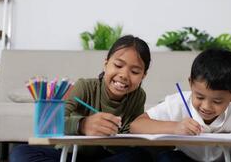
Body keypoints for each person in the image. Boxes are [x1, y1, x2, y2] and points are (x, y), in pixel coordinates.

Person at [130, 48, 231, 162]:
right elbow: (136, 125)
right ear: (191, 84)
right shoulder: (178, 103)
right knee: (165, 159)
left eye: (217, 101)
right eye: (199, 96)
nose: (206, 106)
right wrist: (175, 127)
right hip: (189, 160)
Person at [10, 35, 153, 162]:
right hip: (70, 154)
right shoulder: (84, 86)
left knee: (140, 156)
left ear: (143, 76)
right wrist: (82, 125)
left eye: (134, 71)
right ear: (106, 64)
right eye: (118, 65)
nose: (124, 75)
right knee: (20, 153)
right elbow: (52, 124)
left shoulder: (138, 96)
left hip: (107, 156)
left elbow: (132, 137)